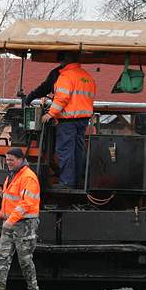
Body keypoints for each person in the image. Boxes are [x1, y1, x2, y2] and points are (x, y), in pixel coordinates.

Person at [0, 148, 41, 290]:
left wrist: (10, 220)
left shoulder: (28, 177)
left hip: (25, 224)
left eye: (11, 160)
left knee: (25, 259)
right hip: (10, 223)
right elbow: (9, 200)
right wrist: (1, 215)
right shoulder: (12, 176)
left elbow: (26, 203)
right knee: (2, 256)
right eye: (7, 159)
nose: (8, 162)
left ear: (21, 159)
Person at [38, 52, 96, 189]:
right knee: (78, 151)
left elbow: (62, 98)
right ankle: (77, 181)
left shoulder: (66, 76)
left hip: (68, 121)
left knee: (65, 151)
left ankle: (67, 182)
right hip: (83, 120)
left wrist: (50, 113)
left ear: (66, 61)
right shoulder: (87, 77)